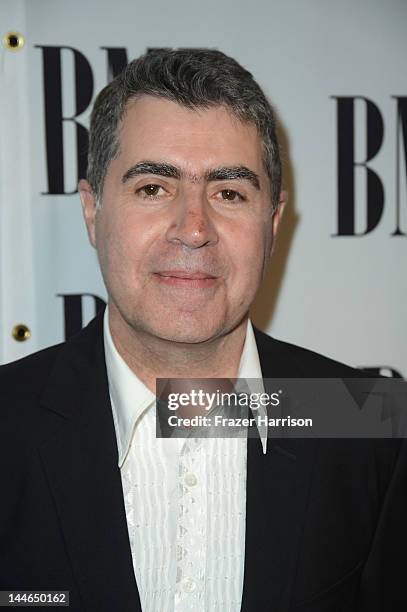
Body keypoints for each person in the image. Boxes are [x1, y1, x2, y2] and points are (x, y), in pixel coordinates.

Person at [0, 48, 406, 612]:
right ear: (92, 211)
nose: (193, 230)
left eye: (229, 193)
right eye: (153, 188)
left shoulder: (372, 424)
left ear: (272, 223)